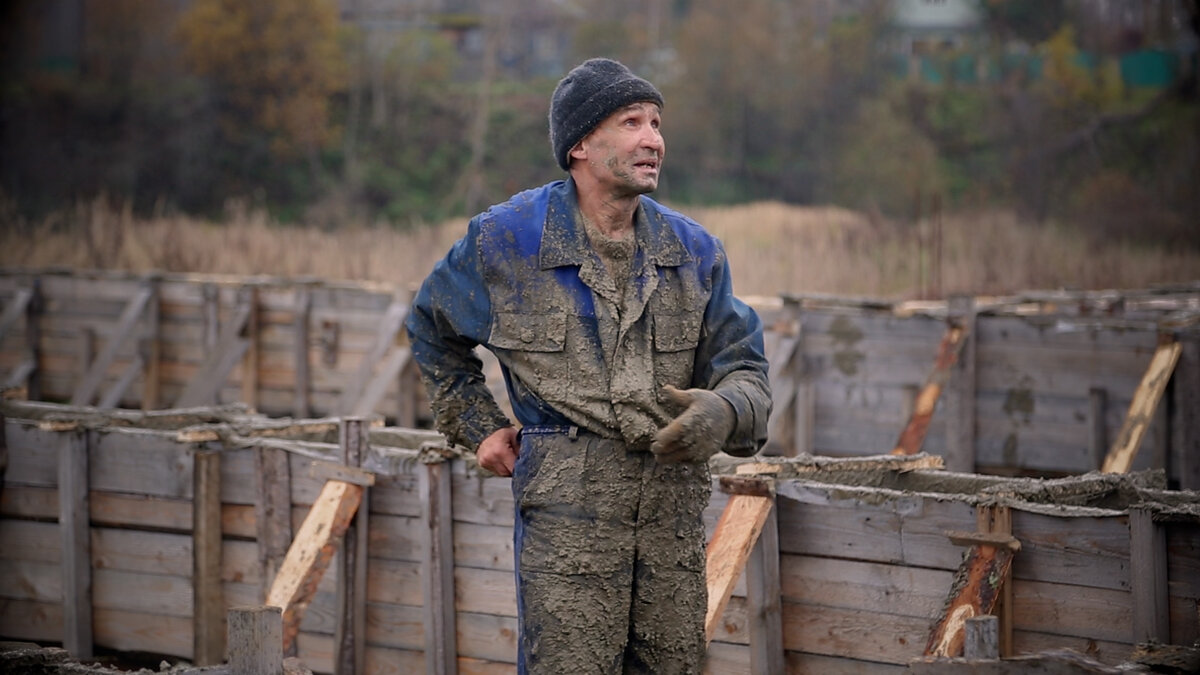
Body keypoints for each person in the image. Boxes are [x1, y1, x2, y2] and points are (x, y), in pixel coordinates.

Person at [405, 57, 771, 674]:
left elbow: (748, 372)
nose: (653, 139)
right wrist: (479, 426)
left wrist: (722, 411)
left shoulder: (695, 252)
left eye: (656, 123)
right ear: (579, 144)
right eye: (632, 122)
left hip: (671, 511)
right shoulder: (506, 241)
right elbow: (432, 328)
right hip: (567, 509)